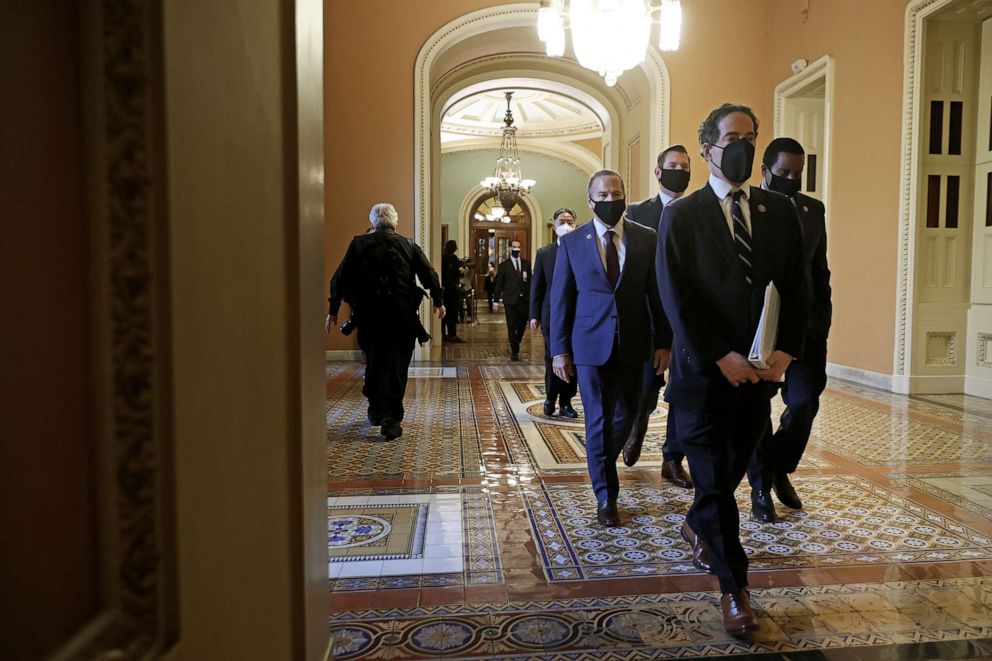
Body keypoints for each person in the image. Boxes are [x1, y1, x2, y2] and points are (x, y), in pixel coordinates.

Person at [655, 104, 808, 635]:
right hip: (703, 377)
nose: (742, 145)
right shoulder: (682, 215)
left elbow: (798, 287)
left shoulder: (779, 211)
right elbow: (678, 299)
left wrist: (786, 349)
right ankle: (734, 589)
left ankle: (697, 522)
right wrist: (722, 356)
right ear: (707, 148)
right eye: (731, 137)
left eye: (751, 136)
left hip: (759, 379)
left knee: (731, 475)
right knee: (717, 486)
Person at [551, 170, 671, 528]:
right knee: (599, 419)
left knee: (629, 414)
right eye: (602, 195)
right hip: (588, 344)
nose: (609, 200)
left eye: (615, 193)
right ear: (590, 201)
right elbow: (562, 298)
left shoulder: (646, 237)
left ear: (624, 196)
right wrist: (559, 350)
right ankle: (607, 495)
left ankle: (602, 459)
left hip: (635, 344)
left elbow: (657, 293)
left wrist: (664, 341)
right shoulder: (573, 243)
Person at [746, 137, 832, 522]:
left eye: (798, 174)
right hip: (763, 326)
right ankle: (761, 486)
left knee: (803, 404)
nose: (793, 180)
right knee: (757, 411)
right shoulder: (748, 205)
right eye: (784, 174)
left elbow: (820, 271)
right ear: (765, 172)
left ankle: (778, 466)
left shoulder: (813, 209)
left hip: (807, 329)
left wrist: (822, 322)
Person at [327, 203, 445, 440]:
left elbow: (339, 278)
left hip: (369, 318)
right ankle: (391, 419)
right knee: (397, 367)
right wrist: (438, 301)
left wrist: (333, 310)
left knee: (374, 362)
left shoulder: (359, 244)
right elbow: (429, 274)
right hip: (402, 319)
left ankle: (376, 408)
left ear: (373, 222)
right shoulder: (409, 245)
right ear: (395, 222)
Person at [621, 145, 693, 490]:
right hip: (648, 318)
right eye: (672, 165)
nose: (679, 170)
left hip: (688, 321)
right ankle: (637, 425)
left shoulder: (700, 212)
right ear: (658, 172)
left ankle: (672, 458)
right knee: (647, 386)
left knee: (682, 390)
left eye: (684, 166)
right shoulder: (635, 213)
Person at [529, 208, 579, 418]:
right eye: (562, 221)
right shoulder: (544, 253)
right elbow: (537, 285)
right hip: (551, 315)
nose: (566, 225)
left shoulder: (582, 250)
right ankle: (550, 398)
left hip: (577, 315)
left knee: (573, 358)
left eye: (570, 221)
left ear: (575, 225)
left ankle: (567, 402)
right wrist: (534, 314)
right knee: (553, 358)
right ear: (554, 224)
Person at [492, 240, 531, 361]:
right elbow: (499, 284)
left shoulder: (526, 264)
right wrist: (496, 301)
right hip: (510, 300)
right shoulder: (504, 265)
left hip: (524, 300)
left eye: (518, 247)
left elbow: (530, 282)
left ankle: (517, 340)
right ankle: (515, 350)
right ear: (510, 249)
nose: (516, 249)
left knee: (522, 324)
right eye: (514, 247)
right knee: (511, 325)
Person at [441, 240, 465, 343]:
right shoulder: (454, 259)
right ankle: (452, 335)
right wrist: (463, 269)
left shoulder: (442, 258)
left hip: (443, 289)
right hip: (452, 289)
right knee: (452, 312)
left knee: (443, 314)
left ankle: (442, 334)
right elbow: (459, 270)